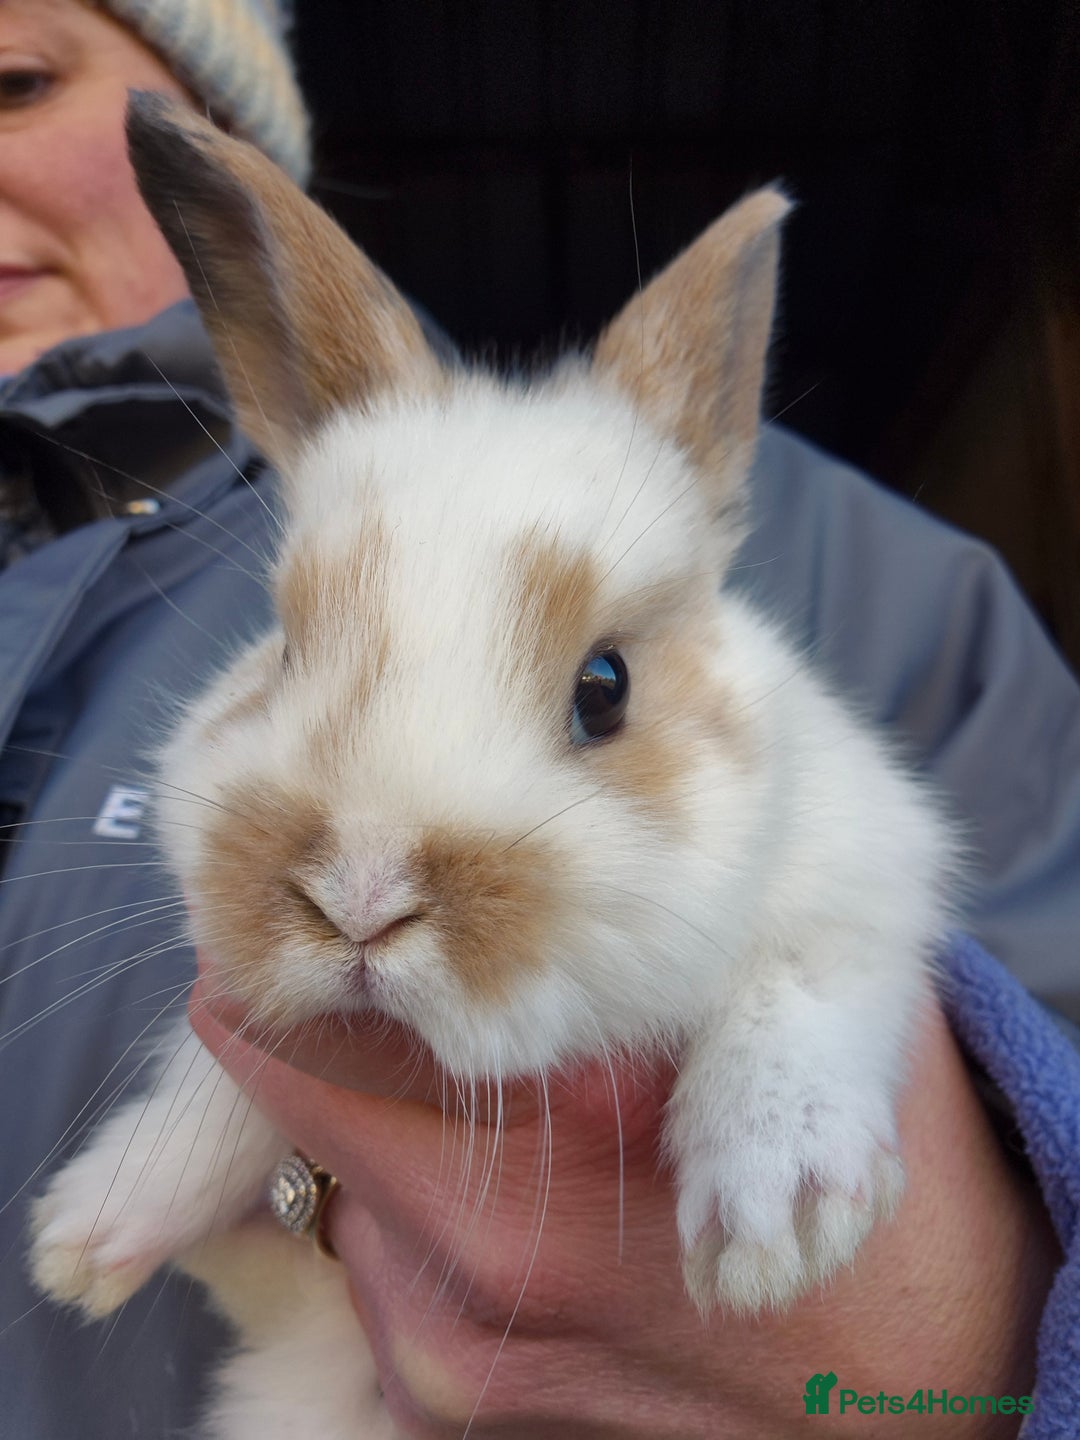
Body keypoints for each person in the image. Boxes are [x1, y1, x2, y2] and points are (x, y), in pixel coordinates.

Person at [0, 1, 1077, 1436]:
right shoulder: (333, 490)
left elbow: (877, 920)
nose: (363, 891)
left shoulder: (870, 591)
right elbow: (244, 1052)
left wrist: (977, 1362)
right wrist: (194, 1141)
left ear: (224, 113)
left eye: (17, 79)